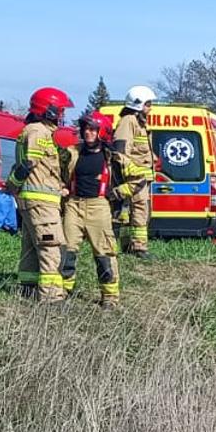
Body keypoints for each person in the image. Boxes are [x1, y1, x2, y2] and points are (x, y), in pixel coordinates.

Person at [8, 87, 75, 303]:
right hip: (41, 202)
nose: (63, 115)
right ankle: (52, 296)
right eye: (61, 111)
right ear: (49, 110)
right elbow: (29, 164)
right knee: (51, 246)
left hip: (37, 200)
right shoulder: (38, 132)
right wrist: (13, 185)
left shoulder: (37, 130)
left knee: (31, 245)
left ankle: (28, 288)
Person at [59, 113, 121, 305]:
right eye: (86, 128)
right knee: (66, 250)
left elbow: (139, 176)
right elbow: (57, 170)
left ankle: (110, 296)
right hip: (73, 205)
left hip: (99, 206)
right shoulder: (72, 152)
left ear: (102, 132)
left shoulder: (111, 156)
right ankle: (63, 291)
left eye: (93, 129)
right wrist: (62, 186)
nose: (88, 132)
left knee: (104, 253)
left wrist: (118, 192)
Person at [110, 85, 156, 259]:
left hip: (140, 178)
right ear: (139, 104)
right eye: (148, 104)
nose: (150, 108)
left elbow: (140, 150)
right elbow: (121, 151)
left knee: (140, 211)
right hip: (132, 178)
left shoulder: (140, 123)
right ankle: (138, 249)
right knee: (134, 211)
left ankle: (135, 246)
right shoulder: (128, 121)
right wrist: (132, 174)